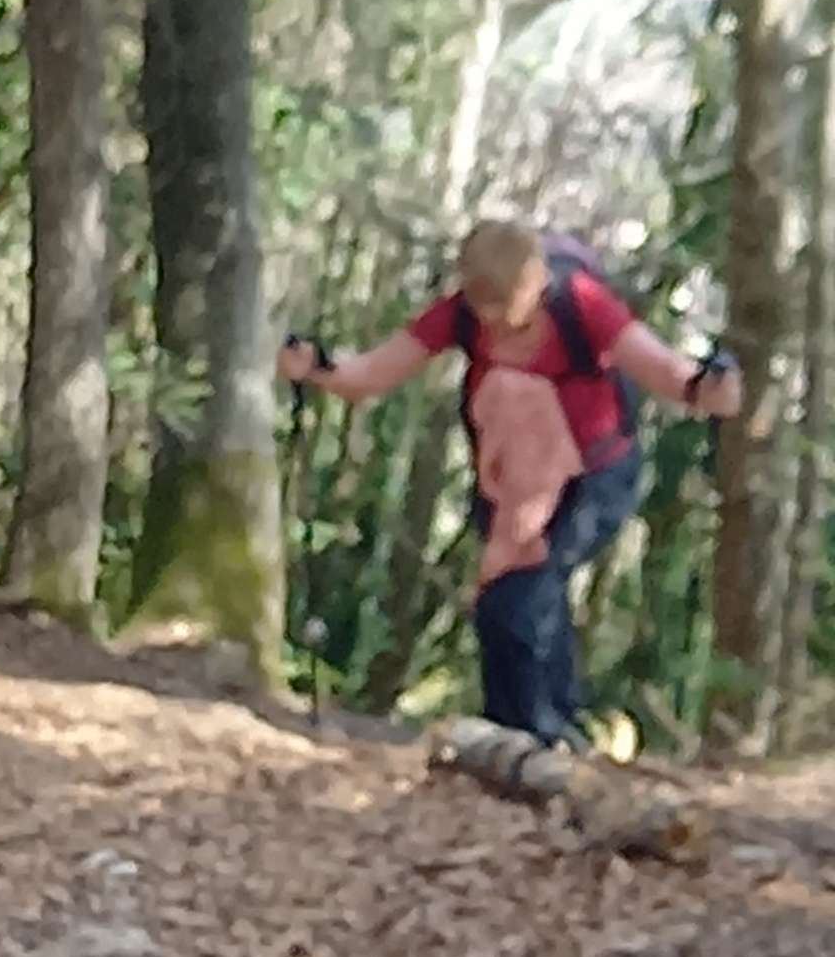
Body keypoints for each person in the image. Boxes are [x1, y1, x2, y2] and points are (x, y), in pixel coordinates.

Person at [277, 218, 741, 747]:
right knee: (511, 602)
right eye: (482, 306)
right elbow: (372, 373)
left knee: (520, 599)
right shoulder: (461, 314)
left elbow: (664, 370)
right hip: (511, 482)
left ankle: (536, 736)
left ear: (536, 280)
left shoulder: (582, 304)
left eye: (503, 305)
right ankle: (538, 733)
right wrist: (318, 366)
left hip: (592, 477)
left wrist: (709, 387)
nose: (492, 321)